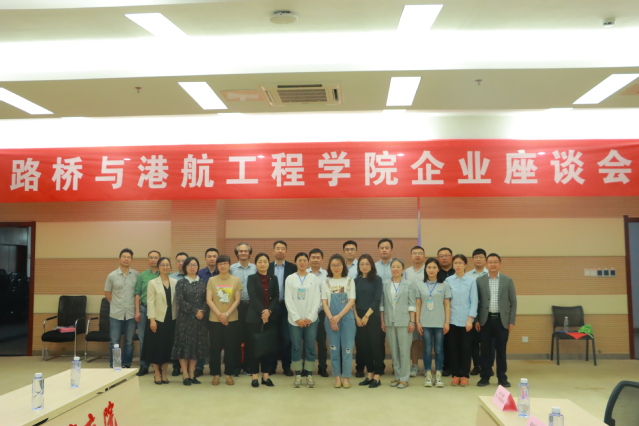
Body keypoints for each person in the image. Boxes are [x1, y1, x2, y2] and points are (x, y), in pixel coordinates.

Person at [476, 253, 517, 388]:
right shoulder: (479, 280)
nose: (493, 264)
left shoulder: (507, 280)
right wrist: (476, 320)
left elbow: (513, 302)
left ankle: (502, 377)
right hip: (485, 320)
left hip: (502, 320)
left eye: (495, 262)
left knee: (501, 351)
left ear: (500, 264)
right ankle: (485, 376)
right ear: (486, 264)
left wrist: (511, 321)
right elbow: (476, 301)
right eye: (490, 262)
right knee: (485, 350)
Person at [171, 256, 209, 386]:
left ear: (198, 267)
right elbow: (180, 301)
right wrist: (194, 311)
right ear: (185, 267)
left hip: (200, 320)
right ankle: (185, 375)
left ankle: (192, 374)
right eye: (190, 265)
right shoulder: (181, 283)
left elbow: (207, 300)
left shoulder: (203, 282)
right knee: (184, 346)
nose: (192, 267)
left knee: (195, 347)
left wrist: (202, 311)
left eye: (195, 265)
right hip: (184, 319)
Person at [285, 252, 321, 388]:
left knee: (310, 347)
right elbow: (288, 299)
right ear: (296, 262)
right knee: (296, 347)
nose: (302, 263)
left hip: (311, 320)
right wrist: (297, 318)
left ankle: (309, 374)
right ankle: (298, 374)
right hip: (294, 320)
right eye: (299, 260)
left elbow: (317, 299)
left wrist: (310, 317)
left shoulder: (313, 278)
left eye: (304, 260)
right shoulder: (290, 279)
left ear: (308, 262)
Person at [205, 255, 242, 386]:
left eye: (225, 263)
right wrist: (220, 315)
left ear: (229, 265)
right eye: (220, 264)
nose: (222, 266)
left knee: (230, 347)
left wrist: (226, 314)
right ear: (217, 265)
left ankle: (228, 374)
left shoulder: (236, 280)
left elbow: (237, 300)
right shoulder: (212, 280)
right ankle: (216, 374)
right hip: (214, 319)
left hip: (231, 319)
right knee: (215, 348)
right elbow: (209, 299)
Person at [380, 258, 416, 389]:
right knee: (394, 351)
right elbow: (382, 305)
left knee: (404, 351)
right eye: (393, 267)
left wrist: (412, 321)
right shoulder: (385, 284)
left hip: (404, 321)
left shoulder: (409, 284)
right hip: (389, 321)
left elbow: (412, 304)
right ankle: (397, 376)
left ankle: (404, 378)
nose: (395, 269)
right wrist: (382, 321)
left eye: (398, 266)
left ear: (402, 269)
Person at [322, 254, 356, 388]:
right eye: (333, 265)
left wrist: (338, 317)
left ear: (343, 266)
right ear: (329, 267)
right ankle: (337, 377)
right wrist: (332, 319)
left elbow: (351, 301)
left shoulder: (349, 281)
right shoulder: (326, 282)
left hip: (347, 319)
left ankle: (346, 377)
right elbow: (324, 303)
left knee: (347, 349)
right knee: (334, 348)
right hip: (330, 319)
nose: (336, 268)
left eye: (339, 265)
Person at [415, 258, 450, 388]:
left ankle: (438, 374)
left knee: (439, 349)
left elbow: (447, 304)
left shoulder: (444, 285)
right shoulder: (420, 285)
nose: (431, 270)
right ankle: (428, 374)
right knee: (427, 349)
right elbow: (418, 304)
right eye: (429, 267)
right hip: (425, 322)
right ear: (425, 269)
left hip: (440, 322)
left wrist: (447, 322)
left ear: (438, 269)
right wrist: (418, 322)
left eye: (434, 267)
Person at [246, 253, 279, 387]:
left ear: (268, 263)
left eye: (265, 261)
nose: (262, 264)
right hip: (254, 318)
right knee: (254, 347)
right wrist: (263, 312)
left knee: (268, 348)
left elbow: (276, 297)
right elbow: (253, 297)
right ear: (256, 264)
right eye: (259, 261)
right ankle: (254, 376)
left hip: (270, 318)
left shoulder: (273, 278)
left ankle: (266, 376)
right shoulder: (251, 278)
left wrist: (269, 311)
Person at [143, 256, 176, 385]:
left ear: (170, 267)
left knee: (167, 346)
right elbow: (150, 302)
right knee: (155, 347)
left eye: (167, 265)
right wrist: (152, 320)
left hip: (171, 319)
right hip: (156, 319)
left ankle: (164, 373)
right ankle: (157, 373)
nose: (165, 267)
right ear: (158, 267)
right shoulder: (152, 283)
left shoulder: (175, 282)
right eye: (162, 265)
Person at [445, 254, 478, 387]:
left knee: (465, 348)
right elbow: (446, 301)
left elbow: (474, 301)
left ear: (465, 265)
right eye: (455, 263)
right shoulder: (448, 280)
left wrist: (470, 319)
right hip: (451, 319)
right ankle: (455, 375)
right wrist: (446, 321)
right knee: (452, 348)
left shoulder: (471, 281)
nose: (457, 265)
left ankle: (464, 375)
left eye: (460, 263)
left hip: (466, 320)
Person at [104, 248, 139, 368]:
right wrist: (115, 304)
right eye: (124, 257)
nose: (126, 259)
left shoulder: (136, 275)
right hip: (116, 313)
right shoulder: (112, 275)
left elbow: (137, 293)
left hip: (131, 313)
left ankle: (126, 363)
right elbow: (107, 293)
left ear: (131, 260)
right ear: (119, 259)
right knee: (114, 341)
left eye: (128, 257)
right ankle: (115, 364)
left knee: (129, 341)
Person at [353, 254, 384, 388]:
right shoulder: (355, 281)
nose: (364, 266)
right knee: (364, 347)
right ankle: (369, 374)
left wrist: (366, 316)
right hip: (359, 318)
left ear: (371, 265)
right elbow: (353, 301)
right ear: (358, 266)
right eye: (362, 264)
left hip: (372, 316)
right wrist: (357, 317)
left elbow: (377, 299)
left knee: (375, 346)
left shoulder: (377, 280)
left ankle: (377, 375)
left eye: (367, 264)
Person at [267, 240, 297, 376]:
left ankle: (286, 366)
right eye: (277, 248)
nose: (280, 251)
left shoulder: (293, 268)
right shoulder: (267, 267)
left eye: (282, 248)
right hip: (271, 307)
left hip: (287, 307)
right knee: (272, 337)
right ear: (273, 251)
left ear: (286, 251)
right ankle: (271, 366)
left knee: (287, 338)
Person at [230, 242, 257, 375]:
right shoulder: (232, 268)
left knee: (250, 337)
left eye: (245, 251)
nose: (243, 253)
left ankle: (248, 366)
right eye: (240, 251)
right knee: (236, 337)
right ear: (237, 253)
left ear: (249, 253)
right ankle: (236, 366)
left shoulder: (255, 268)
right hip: (236, 306)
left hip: (252, 306)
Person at [134, 250, 161, 377]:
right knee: (143, 339)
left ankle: (158, 365)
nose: (153, 260)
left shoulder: (165, 274)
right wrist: (137, 311)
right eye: (151, 257)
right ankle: (144, 365)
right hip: (144, 309)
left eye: (156, 258)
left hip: (159, 311)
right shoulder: (142, 275)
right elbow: (137, 293)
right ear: (148, 260)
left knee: (158, 339)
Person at [194, 247, 219, 377]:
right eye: (209, 256)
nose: (212, 258)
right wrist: (200, 309)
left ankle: (215, 367)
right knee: (202, 339)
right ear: (205, 258)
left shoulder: (223, 273)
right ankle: (199, 366)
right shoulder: (200, 274)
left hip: (219, 311)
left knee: (216, 340)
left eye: (214, 256)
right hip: (203, 310)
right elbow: (197, 294)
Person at [465, 248, 489, 376]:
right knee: (474, 342)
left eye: (481, 257)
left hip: (487, 313)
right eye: (476, 257)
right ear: (472, 259)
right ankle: (476, 365)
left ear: (485, 259)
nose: (478, 259)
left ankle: (487, 366)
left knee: (487, 342)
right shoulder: (468, 275)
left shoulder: (490, 274)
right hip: (472, 313)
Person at [405, 245, 426, 377]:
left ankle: (426, 366)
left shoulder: (429, 269)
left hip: (427, 310)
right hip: (411, 311)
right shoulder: (406, 272)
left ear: (424, 256)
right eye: (414, 253)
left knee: (426, 340)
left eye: (420, 253)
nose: (417, 255)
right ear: (411, 256)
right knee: (414, 340)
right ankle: (414, 365)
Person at [307, 248, 329, 377]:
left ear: (322, 259)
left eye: (318, 257)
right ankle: (307, 368)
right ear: (309, 259)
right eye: (313, 257)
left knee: (321, 342)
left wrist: (320, 308)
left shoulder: (327, 275)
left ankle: (322, 367)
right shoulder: (304, 274)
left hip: (322, 312)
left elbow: (328, 295)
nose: (315, 260)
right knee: (307, 341)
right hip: (306, 313)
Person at [437, 247, 455, 376]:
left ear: (452, 257)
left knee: (454, 341)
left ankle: (456, 365)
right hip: (439, 312)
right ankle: (445, 366)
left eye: (446, 255)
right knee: (443, 342)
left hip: (456, 311)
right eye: (441, 256)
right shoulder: (436, 273)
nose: (444, 258)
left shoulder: (457, 271)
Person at [169, 252, 188, 376]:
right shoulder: (171, 277)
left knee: (188, 341)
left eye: (184, 261)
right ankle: (176, 366)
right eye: (178, 261)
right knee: (176, 341)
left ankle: (190, 368)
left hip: (190, 315)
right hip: (175, 313)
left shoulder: (193, 276)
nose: (181, 263)